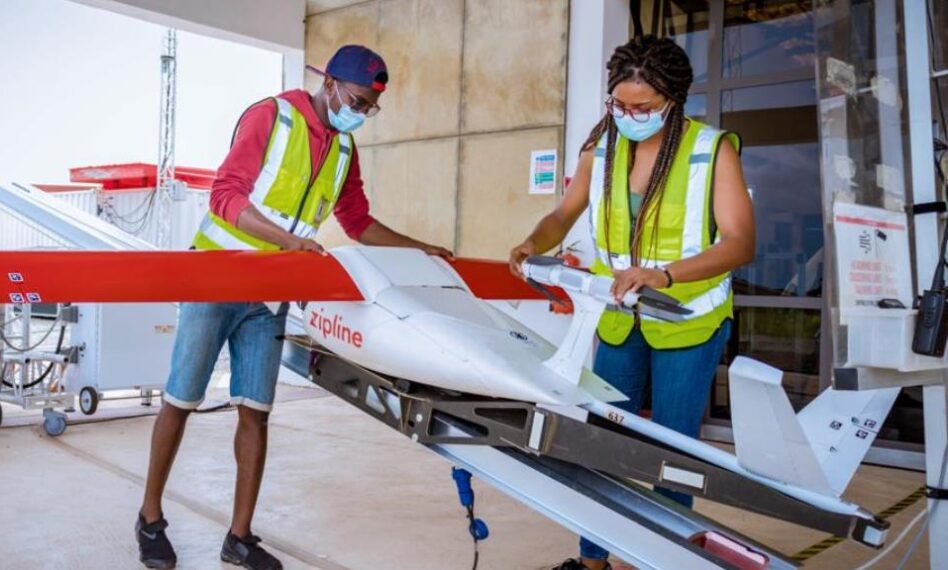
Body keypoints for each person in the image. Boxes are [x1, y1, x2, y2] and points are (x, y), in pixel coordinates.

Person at [135, 45, 452, 570]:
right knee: (181, 401)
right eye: (356, 101)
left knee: (256, 413)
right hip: (217, 279)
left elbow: (357, 222)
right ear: (329, 84)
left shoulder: (345, 149)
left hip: (268, 299)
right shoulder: (271, 117)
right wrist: (286, 241)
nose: (361, 114)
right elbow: (225, 198)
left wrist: (418, 248)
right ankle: (149, 518)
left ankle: (239, 537)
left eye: (370, 108)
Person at [508, 35, 754, 570]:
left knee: (671, 455)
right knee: (602, 441)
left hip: (688, 321)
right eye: (619, 104)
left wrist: (664, 274)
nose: (629, 115)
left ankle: (660, 560)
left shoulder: (713, 150)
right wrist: (534, 241)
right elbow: (563, 214)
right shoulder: (600, 148)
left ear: (673, 100)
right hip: (619, 319)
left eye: (642, 108)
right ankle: (592, 561)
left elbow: (739, 242)